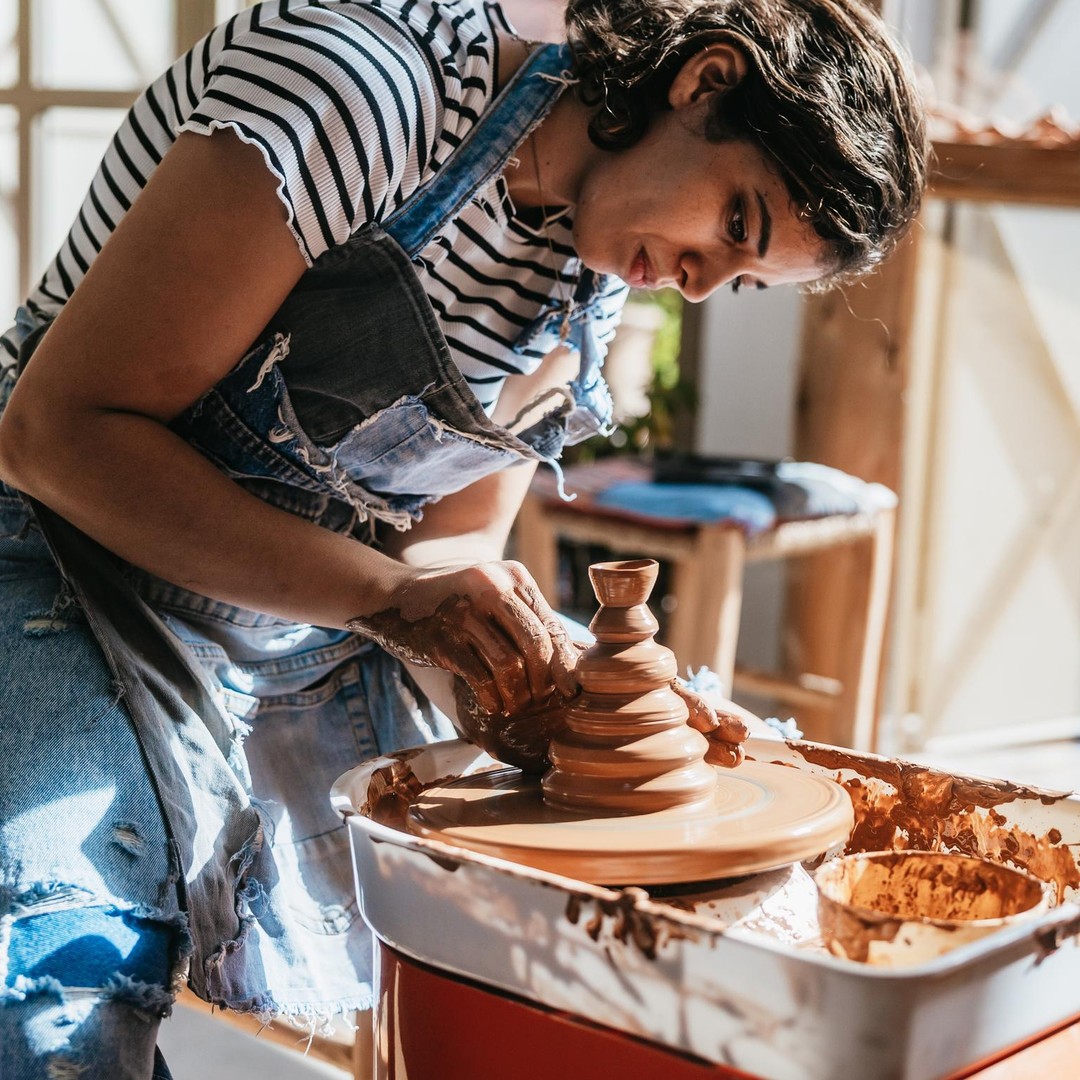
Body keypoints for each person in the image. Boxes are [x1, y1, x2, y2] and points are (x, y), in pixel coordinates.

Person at [0, 0, 927, 1076]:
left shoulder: (589, 278)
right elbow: (55, 435)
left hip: (293, 626)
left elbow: (440, 555)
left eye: (744, 279)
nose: (700, 283)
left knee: (435, 986)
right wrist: (390, 602)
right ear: (702, 79)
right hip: (61, 554)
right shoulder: (362, 88)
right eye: (736, 224)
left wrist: (584, 689)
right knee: (65, 1004)